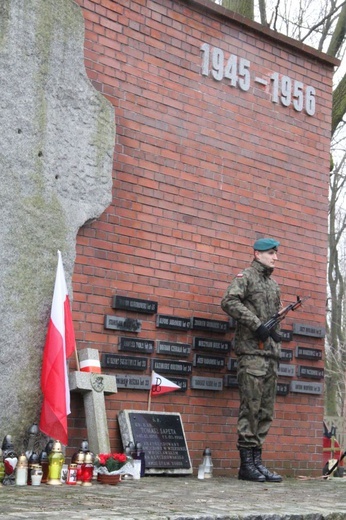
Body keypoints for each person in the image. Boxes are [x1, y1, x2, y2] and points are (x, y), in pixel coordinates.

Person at [221, 237, 283, 483]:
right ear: (257, 254)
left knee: (266, 410)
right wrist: (257, 325)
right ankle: (246, 465)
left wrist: (274, 331)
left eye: (276, 253)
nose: (275, 257)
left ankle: (258, 462)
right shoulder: (246, 277)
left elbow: (273, 316)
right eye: (270, 253)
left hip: (270, 355)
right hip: (251, 354)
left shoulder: (273, 285)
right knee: (251, 408)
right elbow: (228, 301)